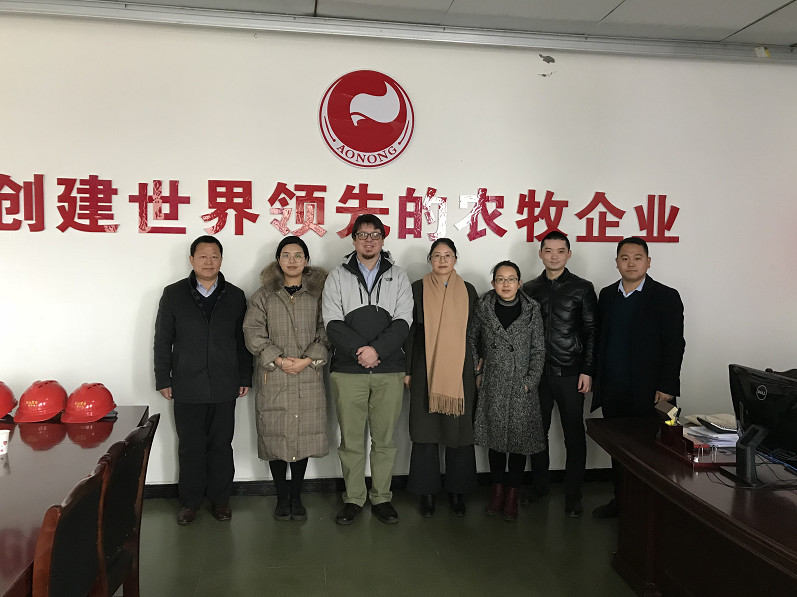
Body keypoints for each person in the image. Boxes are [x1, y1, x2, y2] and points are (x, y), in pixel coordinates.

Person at [154, 235, 253, 525]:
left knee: (221, 445)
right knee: (190, 446)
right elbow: (163, 339)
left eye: (214, 256)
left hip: (225, 383)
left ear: (221, 259)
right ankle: (190, 502)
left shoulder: (235, 296)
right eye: (203, 256)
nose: (209, 262)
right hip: (186, 384)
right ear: (191, 260)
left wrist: (244, 375)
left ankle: (221, 500)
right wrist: (163, 378)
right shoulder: (173, 294)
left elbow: (242, 340)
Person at [322, 214, 413, 525]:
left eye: (375, 234)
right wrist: (361, 352)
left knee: (385, 440)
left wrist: (378, 351)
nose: (369, 240)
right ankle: (353, 498)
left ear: (383, 239)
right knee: (351, 441)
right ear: (354, 240)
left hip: (389, 370)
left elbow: (403, 321)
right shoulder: (337, 276)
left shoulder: (398, 276)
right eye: (362, 235)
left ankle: (382, 497)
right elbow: (332, 322)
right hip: (349, 371)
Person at [591, 237, 685, 519]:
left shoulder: (666, 296)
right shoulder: (607, 295)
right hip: (614, 388)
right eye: (625, 258)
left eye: (637, 258)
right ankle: (621, 502)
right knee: (619, 450)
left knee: (653, 450)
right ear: (617, 262)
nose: (630, 263)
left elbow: (675, 345)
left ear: (648, 262)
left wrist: (667, 386)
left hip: (652, 391)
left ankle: (650, 509)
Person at [243, 236, 330, 522]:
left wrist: (307, 360)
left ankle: (297, 496)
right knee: (276, 436)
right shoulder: (263, 295)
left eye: (298, 255)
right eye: (286, 255)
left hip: (308, 373)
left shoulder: (320, 294)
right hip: (275, 375)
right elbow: (253, 332)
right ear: (278, 260)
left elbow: (327, 329)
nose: (292, 261)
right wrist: (279, 359)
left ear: (306, 260)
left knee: (302, 435)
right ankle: (282, 497)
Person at [523, 231, 597, 518]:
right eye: (549, 251)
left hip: (570, 372)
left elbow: (591, 332)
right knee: (536, 434)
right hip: (538, 374)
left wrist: (587, 370)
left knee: (574, 435)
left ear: (568, 254)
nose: (554, 256)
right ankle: (540, 486)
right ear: (540, 253)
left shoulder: (582, 288)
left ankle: (573, 495)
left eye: (560, 251)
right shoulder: (529, 288)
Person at [404, 238, 479, 517]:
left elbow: (474, 331)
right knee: (425, 430)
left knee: (459, 430)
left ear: (455, 259)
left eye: (448, 255)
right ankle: (427, 492)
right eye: (437, 255)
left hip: (460, 367)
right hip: (425, 365)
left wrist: (478, 364)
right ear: (430, 260)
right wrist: (408, 370)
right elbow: (410, 332)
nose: (443, 260)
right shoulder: (417, 288)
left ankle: (458, 491)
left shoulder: (468, 290)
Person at [468, 260, 546, 521]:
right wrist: (478, 370)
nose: (506, 284)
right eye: (500, 279)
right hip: (493, 383)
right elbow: (471, 339)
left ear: (519, 283)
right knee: (496, 442)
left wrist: (530, 381)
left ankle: (512, 495)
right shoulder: (483, 307)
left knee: (519, 443)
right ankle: (497, 492)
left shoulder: (532, 309)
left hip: (521, 384)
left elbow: (538, 348)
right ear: (493, 283)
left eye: (511, 279)